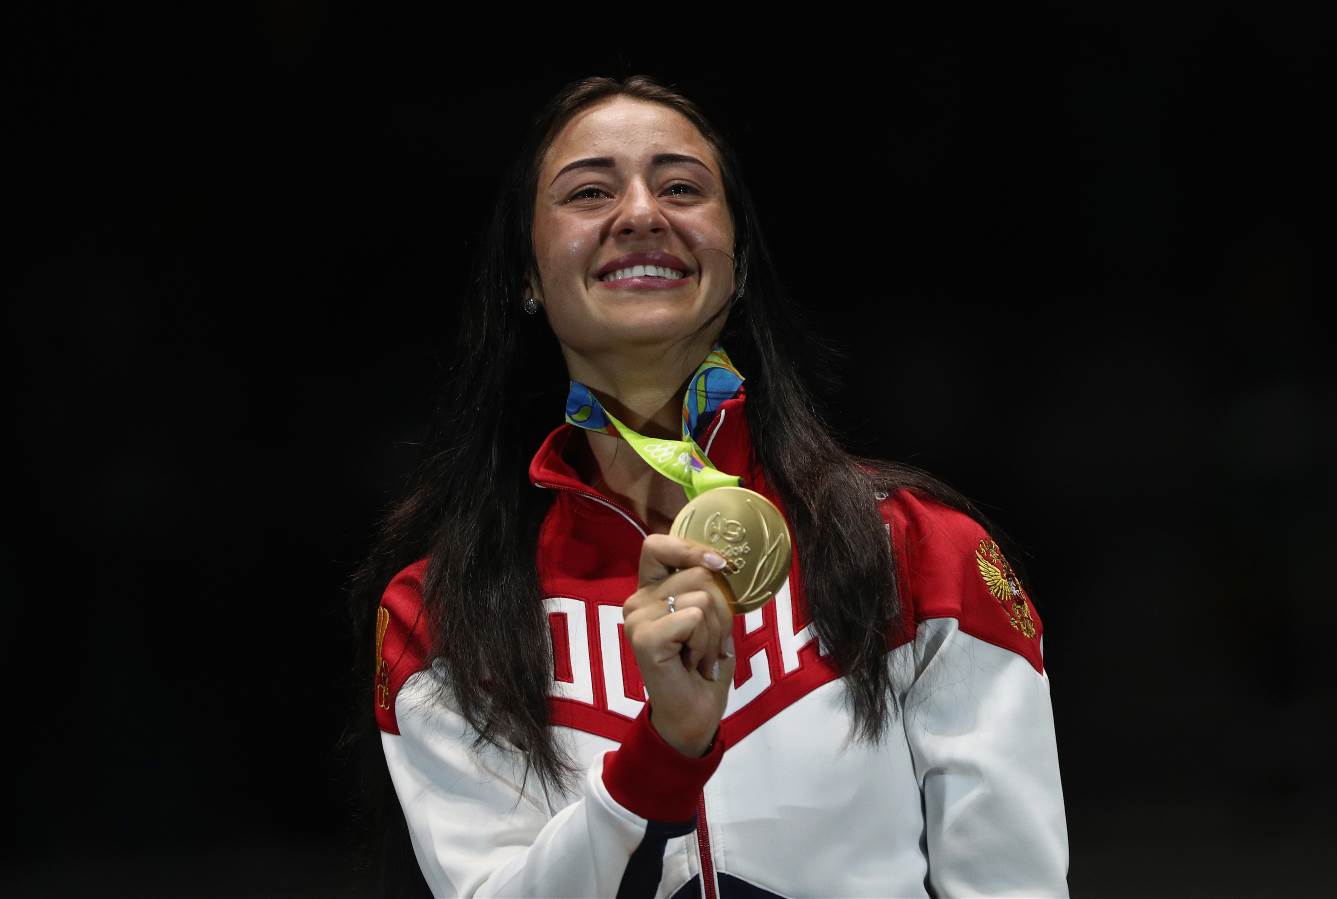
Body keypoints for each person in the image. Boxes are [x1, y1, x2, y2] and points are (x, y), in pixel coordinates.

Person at [347, 75, 1070, 898]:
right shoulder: (443, 614)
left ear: (739, 260)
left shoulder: (916, 551)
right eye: (589, 191)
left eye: (681, 187)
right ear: (526, 272)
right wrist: (659, 756)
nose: (641, 213)